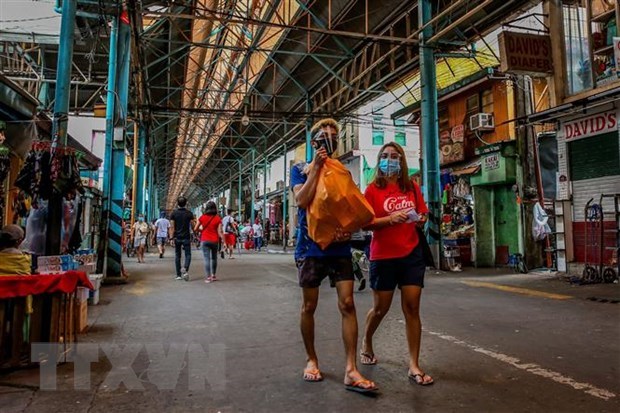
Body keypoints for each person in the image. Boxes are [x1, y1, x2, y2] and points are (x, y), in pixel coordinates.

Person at [291, 118, 377, 393]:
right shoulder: (299, 169)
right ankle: (311, 359)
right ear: (314, 142)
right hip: (310, 247)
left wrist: (348, 230)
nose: (329, 141)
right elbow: (301, 200)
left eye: (333, 138)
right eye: (324, 137)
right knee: (309, 306)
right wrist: (315, 167)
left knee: (348, 304)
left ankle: (351, 369)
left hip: (339, 247)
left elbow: (349, 207)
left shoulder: (342, 170)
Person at [361, 142, 433, 386]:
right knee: (381, 308)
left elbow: (422, 213)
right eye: (385, 156)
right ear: (379, 161)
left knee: (412, 308)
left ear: (401, 161)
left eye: (394, 156)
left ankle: (414, 364)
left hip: (411, 254)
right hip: (383, 257)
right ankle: (367, 341)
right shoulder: (371, 191)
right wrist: (390, 219)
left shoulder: (411, 187)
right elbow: (365, 223)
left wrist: (421, 218)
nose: (389, 159)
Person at [194, 201, 224, 283]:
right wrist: (224, 242)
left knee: (206, 259)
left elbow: (195, 228)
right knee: (214, 258)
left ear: (206, 208)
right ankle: (213, 275)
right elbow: (220, 232)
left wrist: (202, 230)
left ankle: (208, 277)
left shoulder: (202, 217)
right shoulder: (218, 218)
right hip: (214, 241)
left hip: (205, 240)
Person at [169, 196, 195, 281]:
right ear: (186, 203)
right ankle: (185, 268)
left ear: (177, 204)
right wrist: (195, 233)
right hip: (186, 237)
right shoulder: (189, 213)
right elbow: (192, 225)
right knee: (188, 254)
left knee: (177, 255)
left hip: (177, 237)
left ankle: (178, 275)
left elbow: (172, 227)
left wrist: (171, 238)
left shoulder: (174, 213)